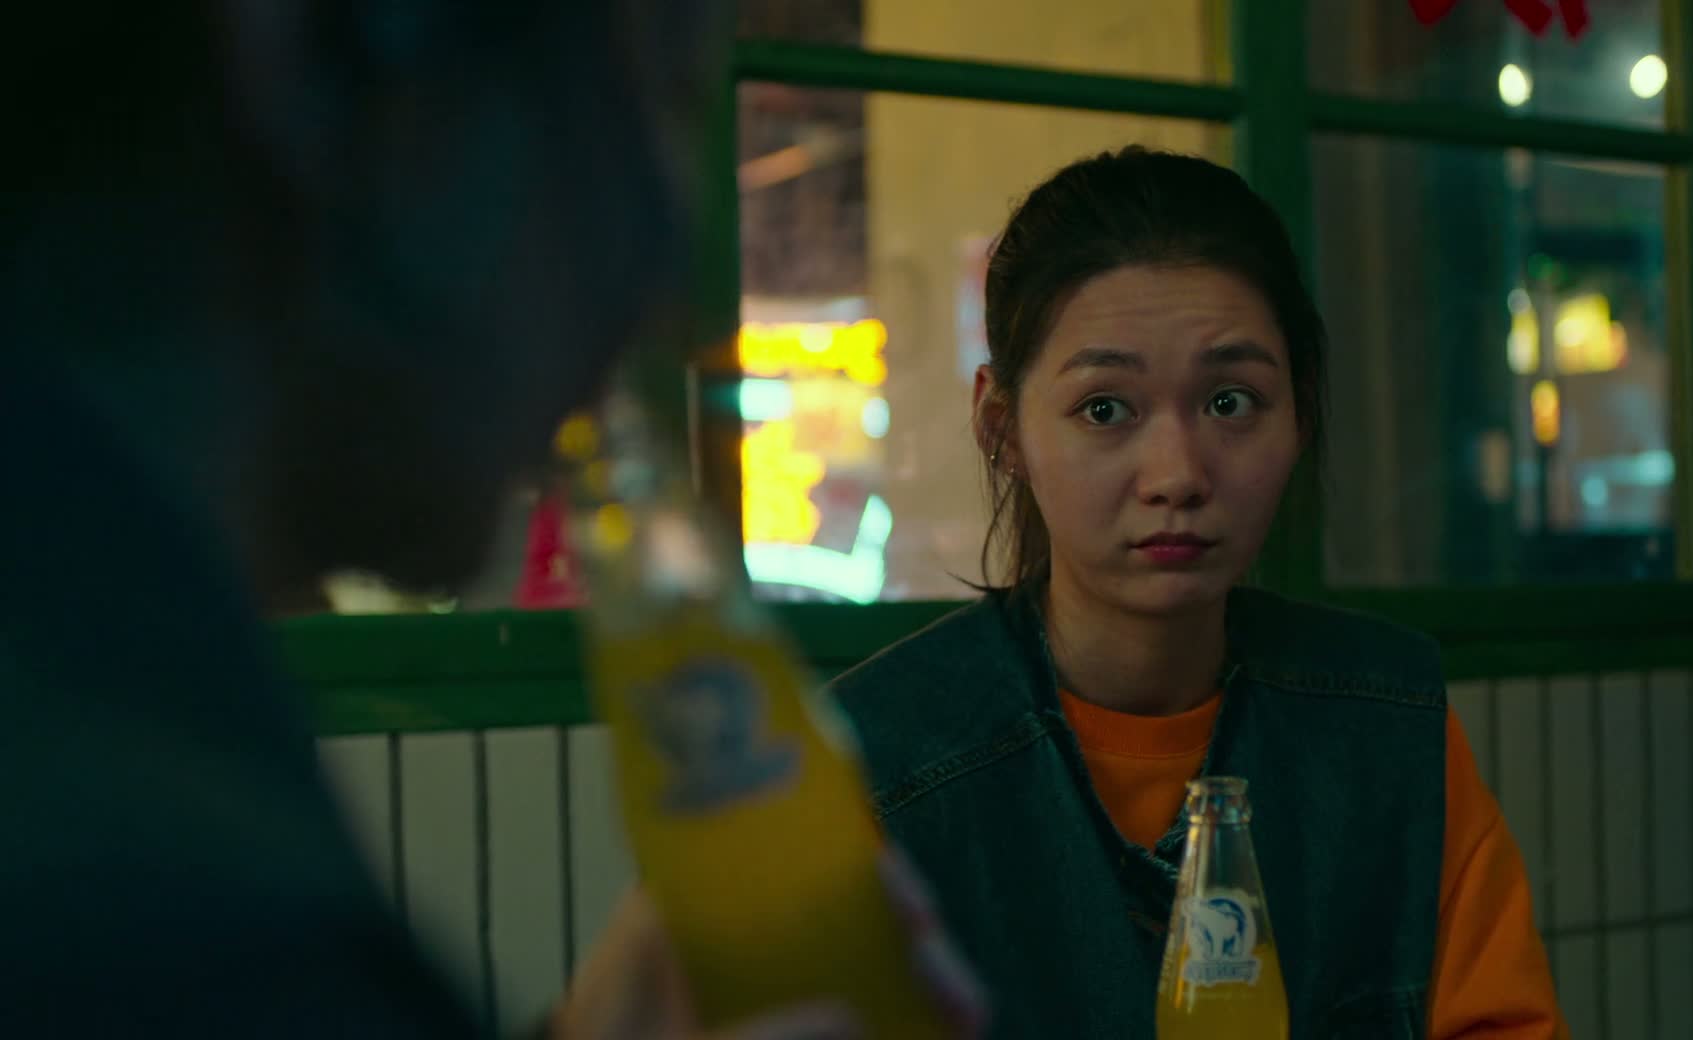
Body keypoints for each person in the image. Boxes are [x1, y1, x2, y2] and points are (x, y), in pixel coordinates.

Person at [0, 5, 977, 1038]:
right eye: (659, 101)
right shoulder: (156, 910)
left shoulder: (105, 710)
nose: (661, 271)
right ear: (336, 52)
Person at [829, 147, 1566, 1038]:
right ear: (1002, 426)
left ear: (1300, 412)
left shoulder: (1388, 724)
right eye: (1105, 408)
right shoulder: (876, 765)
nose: (1177, 475)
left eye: (1230, 402)